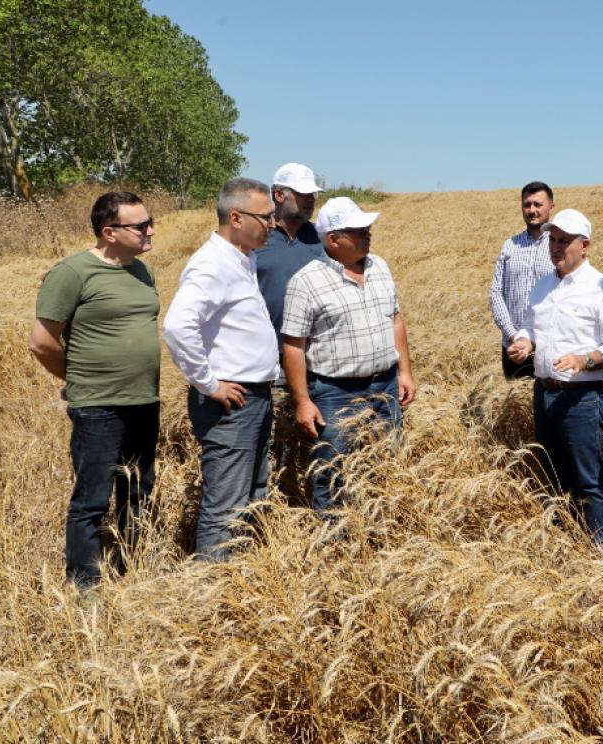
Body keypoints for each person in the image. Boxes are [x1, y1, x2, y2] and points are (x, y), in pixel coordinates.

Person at [29, 191, 161, 589]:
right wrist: (80, 378)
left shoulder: (143, 271)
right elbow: (42, 341)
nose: (150, 230)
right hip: (98, 407)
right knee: (92, 499)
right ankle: (85, 587)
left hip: (144, 400)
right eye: (140, 226)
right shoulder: (71, 273)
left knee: (138, 490)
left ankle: (130, 570)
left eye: (149, 221)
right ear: (109, 232)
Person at [163, 177, 281, 561]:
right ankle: (212, 589)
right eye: (266, 217)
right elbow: (178, 326)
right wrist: (210, 384)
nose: (273, 224)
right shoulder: (212, 264)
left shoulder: (242, 259)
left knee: (251, 493)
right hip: (232, 403)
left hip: (253, 396)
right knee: (227, 504)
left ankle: (240, 577)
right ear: (236, 217)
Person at [281, 197, 417, 517]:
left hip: (384, 386)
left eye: (367, 228)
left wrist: (405, 372)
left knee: (384, 466)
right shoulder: (306, 282)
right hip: (333, 393)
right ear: (333, 239)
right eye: (358, 230)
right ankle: (336, 542)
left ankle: (379, 530)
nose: (367, 233)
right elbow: (293, 345)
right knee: (332, 472)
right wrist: (302, 401)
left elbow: (395, 319)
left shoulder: (380, 267)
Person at [507, 208, 603, 544]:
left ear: (585, 244)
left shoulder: (602, 288)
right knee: (555, 478)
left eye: (564, 241)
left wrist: (586, 359)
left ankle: (599, 551)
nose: (556, 247)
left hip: (581, 398)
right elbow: (531, 326)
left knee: (587, 481)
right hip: (543, 392)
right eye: (553, 240)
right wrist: (523, 341)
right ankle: (566, 547)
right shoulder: (543, 286)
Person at [489, 181, 556, 378]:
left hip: (549, 345)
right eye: (527, 205)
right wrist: (513, 335)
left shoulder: (560, 244)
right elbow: (495, 293)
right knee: (515, 406)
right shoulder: (510, 245)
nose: (532, 210)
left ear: (551, 207)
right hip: (513, 348)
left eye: (538, 204)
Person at [254, 162, 326, 336]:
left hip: (316, 353)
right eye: (303, 193)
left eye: (313, 194)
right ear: (279, 195)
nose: (311, 199)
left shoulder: (323, 238)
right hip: (268, 354)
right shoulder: (255, 239)